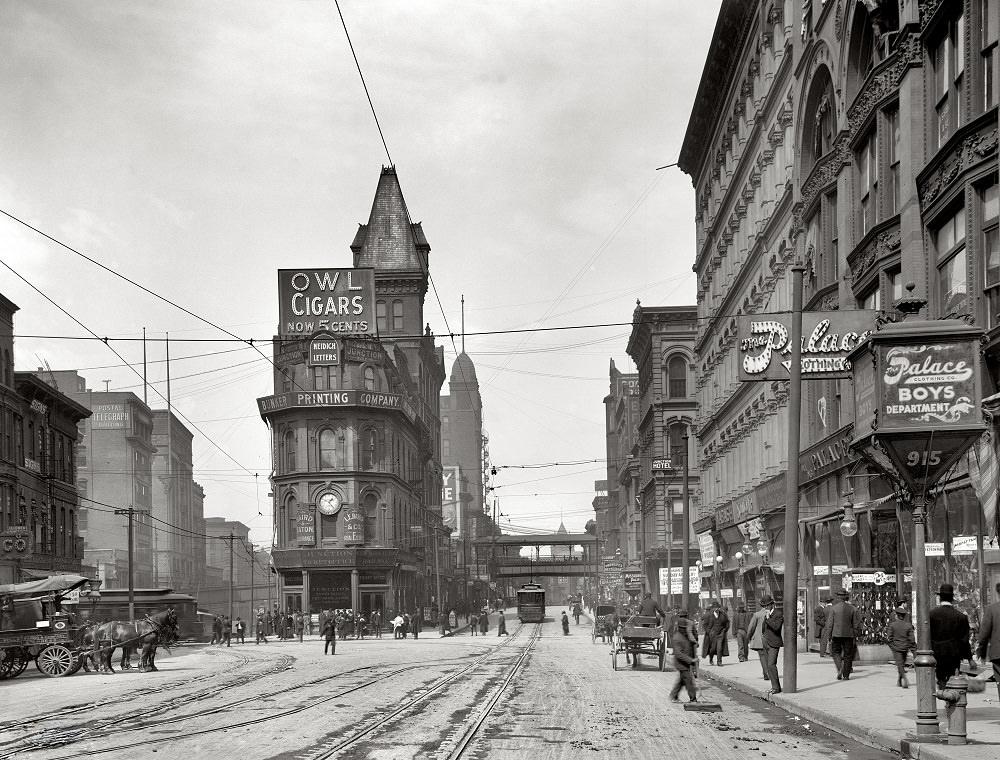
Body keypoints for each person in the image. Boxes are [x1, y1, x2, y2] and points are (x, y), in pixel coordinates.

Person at [930, 583, 973, 689]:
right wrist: (970, 658)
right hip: (954, 654)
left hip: (937, 653)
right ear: (952, 598)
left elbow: (927, 636)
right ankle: (951, 700)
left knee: (941, 678)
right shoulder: (961, 617)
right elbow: (964, 640)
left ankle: (942, 687)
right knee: (953, 679)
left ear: (940, 597)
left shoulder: (931, 614)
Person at [824, 588, 861, 681]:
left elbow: (830, 624)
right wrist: (855, 635)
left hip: (836, 634)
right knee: (848, 655)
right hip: (849, 634)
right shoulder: (852, 609)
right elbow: (855, 624)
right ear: (846, 598)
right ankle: (846, 675)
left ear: (838, 598)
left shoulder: (834, 608)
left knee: (835, 652)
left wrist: (829, 636)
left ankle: (840, 667)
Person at [976, 581, 1000, 701]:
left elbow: (984, 633)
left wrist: (981, 652)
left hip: (998, 654)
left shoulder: (992, 609)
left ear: (997, 594)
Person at [669, 609, 699, 703]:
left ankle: (674, 696)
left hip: (685, 662)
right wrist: (691, 660)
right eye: (683, 628)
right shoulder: (677, 638)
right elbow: (678, 654)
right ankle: (693, 699)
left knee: (682, 681)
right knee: (689, 681)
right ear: (680, 628)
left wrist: (694, 648)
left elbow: (690, 644)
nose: (685, 630)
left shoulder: (684, 635)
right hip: (681, 663)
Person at [885, 603, 916, 688]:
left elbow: (889, 637)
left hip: (896, 648)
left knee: (900, 664)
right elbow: (912, 639)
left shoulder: (893, 625)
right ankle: (899, 680)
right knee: (901, 664)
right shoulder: (908, 625)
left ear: (897, 616)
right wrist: (910, 646)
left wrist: (892, 646)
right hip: (905, 647)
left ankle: (905, 680)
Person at [760, 595, 783, 694]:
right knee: (768, 666)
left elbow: (776, 628)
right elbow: (764, 628)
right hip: (766, 642)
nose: (765, 608)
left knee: (771, 664)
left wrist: (768, 618)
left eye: (766, 605)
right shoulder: (766, 613)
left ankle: (776, 688)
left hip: (774, 643)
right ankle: (774, 686)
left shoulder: (778, 613)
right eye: (764, 606)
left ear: (771, 604)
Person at [746, 601, 769, 680]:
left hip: (760, 640)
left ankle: (766, 673)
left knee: (762, 656)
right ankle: (770, 672)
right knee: (770, 657)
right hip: (771, 639)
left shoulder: (757, 615)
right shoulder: (772, 614)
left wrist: (748, 637)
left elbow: (751, 627)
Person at [704, 602, 730, 666]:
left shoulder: (723, 614)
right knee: (712, 648)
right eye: (714, 607)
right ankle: (711, 659)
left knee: (719, 647)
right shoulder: (709, 615)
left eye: (717, 607)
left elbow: (727, 623)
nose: (716, 609)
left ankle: (719, 661)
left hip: (721, 633)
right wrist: (709, 631)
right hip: (713, 634)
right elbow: (705, 624)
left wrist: (724, 630)